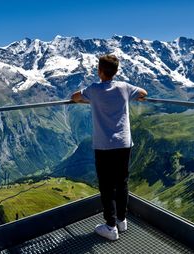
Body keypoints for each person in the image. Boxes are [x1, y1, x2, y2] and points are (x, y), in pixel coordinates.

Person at [71, 54, 147, 240]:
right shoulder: (124, 87)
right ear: (116, 71)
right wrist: (132, 98)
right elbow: (144, 93)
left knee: (106, 186)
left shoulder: (94, 90)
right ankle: (122, 220)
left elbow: (74, 97)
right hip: (124, 143)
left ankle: (110, 226)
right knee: (122, 182)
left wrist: (91, 100)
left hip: (104, 145)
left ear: (99, 71)